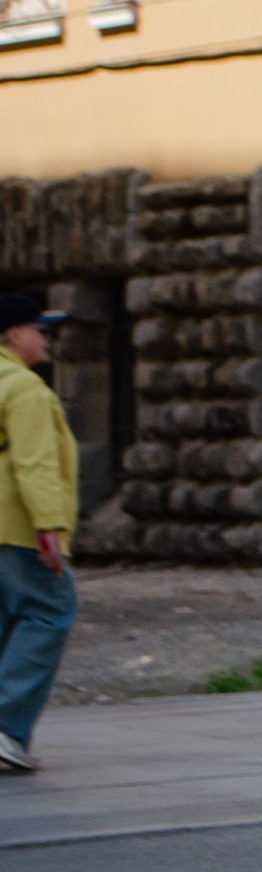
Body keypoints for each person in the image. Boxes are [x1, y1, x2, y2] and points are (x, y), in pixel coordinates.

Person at [0, 293, 76, 772]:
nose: (46, 337)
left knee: (6, 620)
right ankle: (7, 726)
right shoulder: (24, 389)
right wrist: (49, 527)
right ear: (10, 334)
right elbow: (34, 463)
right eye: (39, 328)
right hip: (16, 523)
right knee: (50, 610)